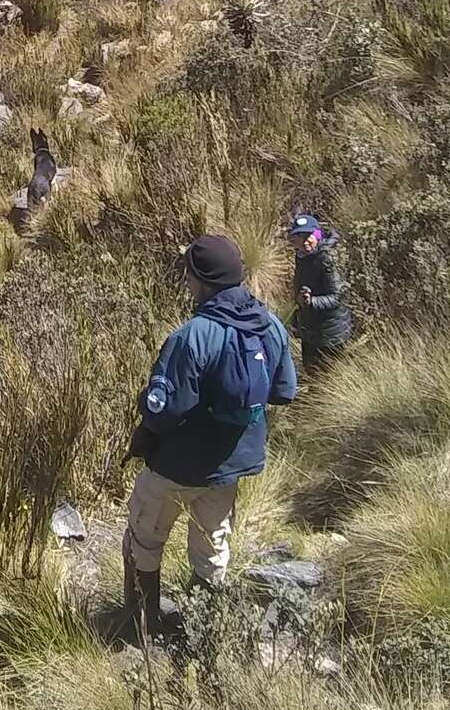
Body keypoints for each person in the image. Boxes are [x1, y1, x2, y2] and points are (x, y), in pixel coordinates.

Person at [124, 233, 297, 638]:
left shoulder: (193, 335)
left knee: (143, 539)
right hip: (232, 466)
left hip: (176, 465)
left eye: (188, 274)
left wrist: (144, 404)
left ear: (201, 279)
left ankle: (140, 627)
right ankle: (204, 632)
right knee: (213, 547)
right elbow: (284, 391)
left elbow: (164, 410)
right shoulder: (271, 325)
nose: (186, 281)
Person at [284, 212, 352, 377]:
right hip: (310, 329)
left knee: (331, 379)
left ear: (317, 234)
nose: (305, 240)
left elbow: (337, 297)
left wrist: (311, 302)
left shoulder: (327, 258)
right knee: (312, 373)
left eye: (309, 235)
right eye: (300, 236)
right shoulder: (302, 256)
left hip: (330, 332)